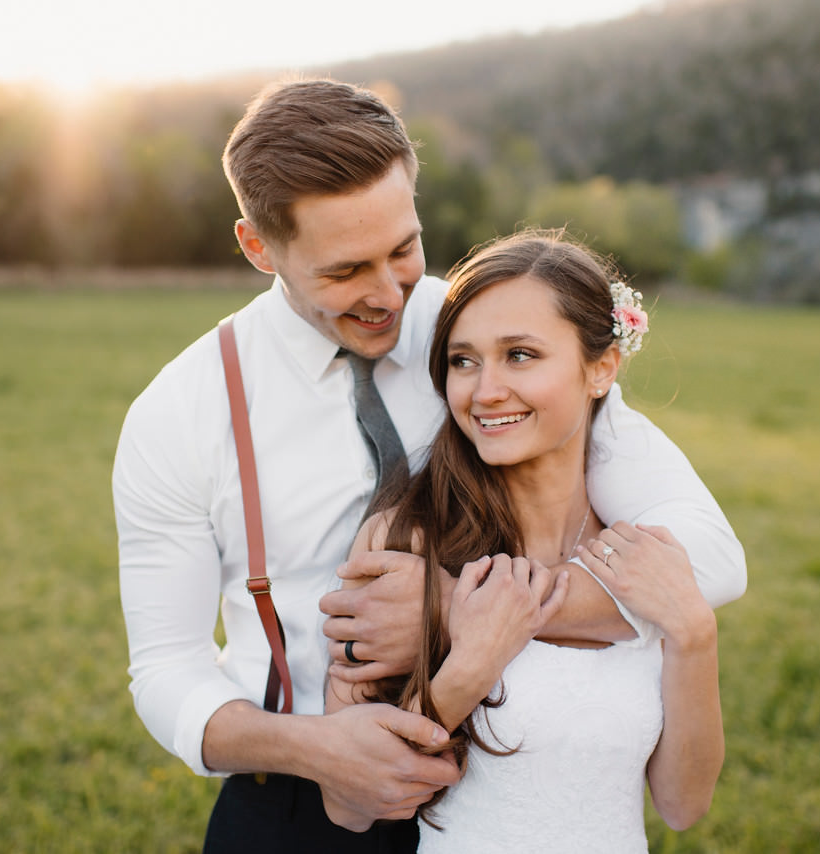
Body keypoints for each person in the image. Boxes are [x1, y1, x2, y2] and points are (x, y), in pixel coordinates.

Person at [112, 78, 745, 853]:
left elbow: (709, 559)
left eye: (403, 249)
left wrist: (447, 610)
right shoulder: (180, 412)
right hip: (301, 806)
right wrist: (314, 748)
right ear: (257, 247)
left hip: (503, 787)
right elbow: (166, 670)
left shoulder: (490, 330)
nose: (388, 296)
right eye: (345, 271)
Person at [326, 229, 726, 853]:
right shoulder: (403, 541)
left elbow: (682, 803)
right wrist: (473, 659)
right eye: (463, 360)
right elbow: (348, 805)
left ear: (601, 368)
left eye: (520, 355)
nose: (484, 391)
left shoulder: (638, 557)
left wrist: (696, 637)